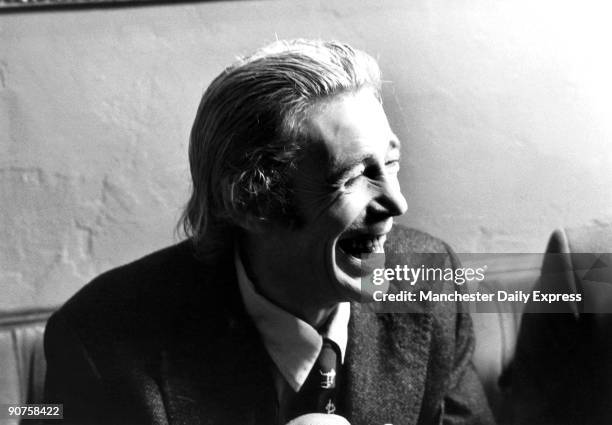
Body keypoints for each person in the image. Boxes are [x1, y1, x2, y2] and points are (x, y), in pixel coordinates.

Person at [44, 39, 494, 425]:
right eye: (354, 176)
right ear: (252, 204)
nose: (397, 202)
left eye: (390, 163)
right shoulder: (99, 338)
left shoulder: (430, 283)